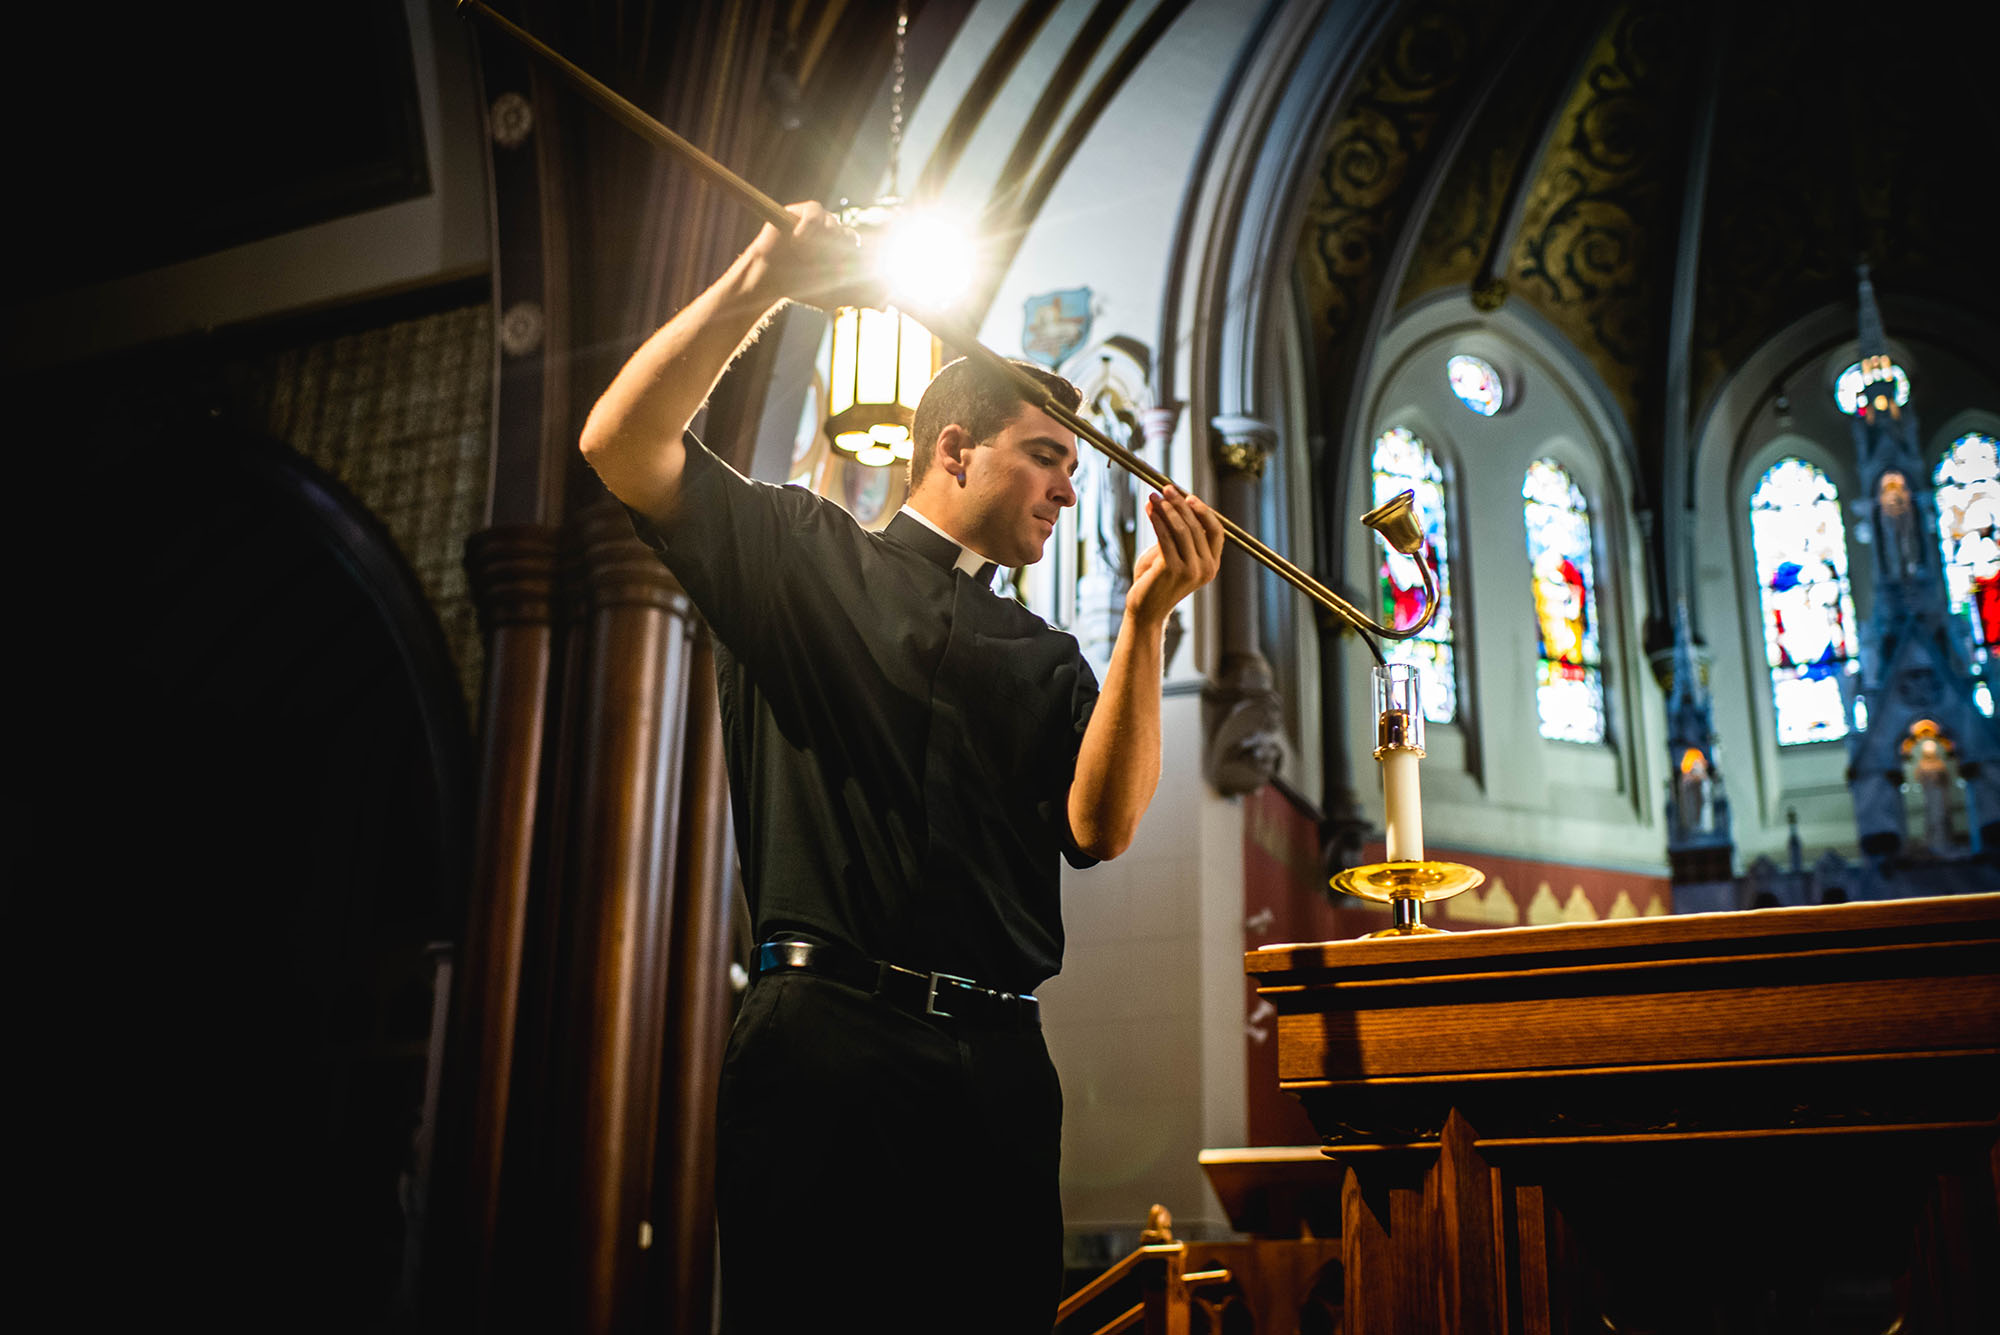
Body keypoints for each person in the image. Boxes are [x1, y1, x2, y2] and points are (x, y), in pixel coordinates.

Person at [579, 203, 1224, 1333]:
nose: (1066, 491)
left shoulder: (1048, 654)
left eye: (1072, 467)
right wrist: (758, 284)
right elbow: (616, 445)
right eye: (1044, 457)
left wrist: (1146, 622)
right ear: (952, 446)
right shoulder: (795, 555)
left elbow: (1100, 827)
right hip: (827, 1040)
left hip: (1002, 1059)